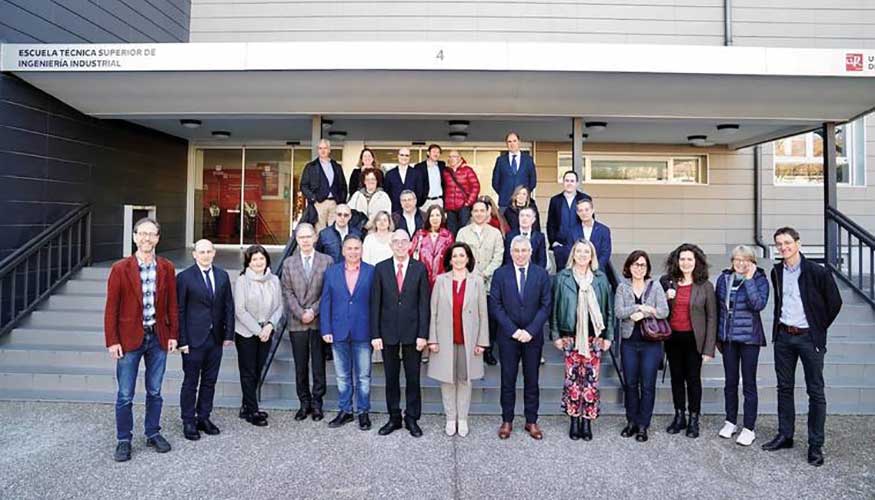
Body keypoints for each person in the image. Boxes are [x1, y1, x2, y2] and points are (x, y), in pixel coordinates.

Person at [762, 227, 841, 467]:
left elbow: (834, 303)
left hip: (809, 339)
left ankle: (815, 445)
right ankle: (786, 435)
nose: (783, 247)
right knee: (784, 388)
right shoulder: (776, 271)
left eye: (787, 242)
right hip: (784, 337)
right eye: (779, 244)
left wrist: (817, 327)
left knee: (815, 392)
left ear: (798, 243)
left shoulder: (817, 272)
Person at [104, 217, 178, 462]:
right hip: (128, 339)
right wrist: (112, 341)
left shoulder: (166, 267)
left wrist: (173, 335)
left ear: (158, 238)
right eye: (142, 234)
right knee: (125, 394)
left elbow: (172, 306)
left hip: (157, 337)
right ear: (135, 236)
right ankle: (124, 439)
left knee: (155, 391)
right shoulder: (120, 269)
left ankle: (152, 432)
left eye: (152, 234)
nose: (147, 238)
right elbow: (111, 308)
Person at [550, 239, 614, 441]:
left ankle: (587, 421)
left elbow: (609, 310)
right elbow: (555, 307)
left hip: (594, 336)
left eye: (587, 252)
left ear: (592, 255)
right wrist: (556, 335)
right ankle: (574, 420)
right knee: (572, 381)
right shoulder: (563, 277)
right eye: (579, 251)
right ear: (573, 254)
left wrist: (609, 336)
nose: (583, 255)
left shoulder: (601, 278)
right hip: (570, 335)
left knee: (591, 381)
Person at [370, 230, 431, 438]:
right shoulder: (381, 269)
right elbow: (375, 303)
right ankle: (394, 417)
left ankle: (412, 418)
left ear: (410, 244)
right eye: (396, 242)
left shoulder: (420, 269)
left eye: (404, 241)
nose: (400, 245)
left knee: (413, 379)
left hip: (413, 334)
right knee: (391, 378)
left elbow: (424, 305)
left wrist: (423, 334)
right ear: (391, 245)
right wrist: (375, 334)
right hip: (387, 334)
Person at [491, 236, 552, 440]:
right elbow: (496, 306)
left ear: (530, 252)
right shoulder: (500, 274)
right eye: (516, 251)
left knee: (532, 380)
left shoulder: (541, 274)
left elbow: (546, 305)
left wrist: (531, 330)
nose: (520, 254)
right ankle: (507, 420)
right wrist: (513, 331)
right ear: (510, 252)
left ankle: (531, 421)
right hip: (508, 337)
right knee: (507, 379)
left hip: (532, 337)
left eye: (523, 250)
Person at [427, 242, 489, 437]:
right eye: (455, 256)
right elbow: (433, 311)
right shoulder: (441, 280)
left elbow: (483, 313)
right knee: (447, 380)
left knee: (464, 380)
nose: (459, 259)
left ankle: (462, 418)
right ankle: (450, 418)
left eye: (462, 255)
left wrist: (482, 341)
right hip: (445, 338)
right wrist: (433, 339)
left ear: (468, 258)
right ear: (450, 260)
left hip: (468, 339)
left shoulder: (476, 281)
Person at [176, 239, 235, 441]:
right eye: (201, 252)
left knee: (210, 381)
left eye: (209, 251)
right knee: (191, 382)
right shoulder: (184, 278)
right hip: (193, 340)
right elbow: (180, 311)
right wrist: (181, 340)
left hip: (215, 338)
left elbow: (229, 306)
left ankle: (203, 417)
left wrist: (228, 334)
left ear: (214, 253)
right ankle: (188, 420)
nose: (205, 255)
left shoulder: (222, 276)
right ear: (194, 254)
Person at [660, 243, 717, 439]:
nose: (685, 263)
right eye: (682, 259)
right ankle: (679, 416)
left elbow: (712, 318)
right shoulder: (667, 282)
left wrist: (709, 349)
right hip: (673, 337)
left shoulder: (705, 286)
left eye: (689, 259)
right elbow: (660, 310)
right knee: (676, 378)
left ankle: (694, 419)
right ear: (676, 261)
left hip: (694, 339)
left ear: (696, 262)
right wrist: (666, 298)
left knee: (693, 379)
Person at [320, 235, 376, 431]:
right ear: (343, 251)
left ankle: (363, 412)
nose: (353, 252)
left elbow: (375, 304)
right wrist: (325, 328)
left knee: (363, 376)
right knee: (342, 376)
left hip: (363, 330)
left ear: (361, 250)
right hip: (338, 330)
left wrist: (376, 332)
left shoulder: (371, 272)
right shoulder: (332, 272)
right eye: (349, 248)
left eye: (357, 248)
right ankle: (345, 411)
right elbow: (325, 301)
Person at [715, 245, 769, 446]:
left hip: (749, 339)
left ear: (752, 262)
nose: (740, 263)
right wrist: (717, 337)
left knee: (748, 383)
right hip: (728, 339)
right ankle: (730, 421)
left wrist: (749, 280)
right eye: (737, 259)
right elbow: (718, 308)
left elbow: (758, 305)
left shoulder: (760, 280)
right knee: (730, 382)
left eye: (745, 259)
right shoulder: (724, 279)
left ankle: (749, 427)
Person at [281, 223, 334, 422]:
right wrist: (300, 312)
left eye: (308, 236)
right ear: (296, 239)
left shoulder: (327, 261)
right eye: (301, 237)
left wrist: (313, 310)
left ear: (315, 238)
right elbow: (287, 292)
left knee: (319, 365)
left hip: (319, 320)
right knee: (300, 365)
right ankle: (304, 403)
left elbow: (328, 291)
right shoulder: (288, 263)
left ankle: (317, 403)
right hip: (297, 322)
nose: (305, 240)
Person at [614, 250, 669, 443]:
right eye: (635, 264)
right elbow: (619, 312)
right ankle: (631, 421)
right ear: (629, 267)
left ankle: (643, 424)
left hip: (651, 343)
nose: (639, 268)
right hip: (629, 342)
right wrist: (638, 308)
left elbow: (663, 311)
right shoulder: (622, 287)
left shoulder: (654, 287)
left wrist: (646, 313)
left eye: (643, 265)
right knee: (630, 383)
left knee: (647, 385)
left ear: (647, 268)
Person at [234, 244, 282, 427]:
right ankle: (252, 411)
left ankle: (247, 405)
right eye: (254, 259)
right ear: (248, 262)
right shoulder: (242, 280)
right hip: (247, 332)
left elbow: (279, 307)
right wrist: (258, 330)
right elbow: (240, 310)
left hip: (267, 331)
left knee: (258, 369)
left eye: (261, 258)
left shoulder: (274, 280)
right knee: (248, 372)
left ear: (266, 260)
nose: (258, 262)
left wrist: (269, 326)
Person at [456, 198, 505, 366]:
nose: (479, 214)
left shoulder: (495, 233)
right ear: (471, 213)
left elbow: (499, 256)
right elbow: (459, 254)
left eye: (482, 211)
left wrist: (484, 273)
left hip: (490, 283)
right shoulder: (463, 232)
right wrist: (473, 274)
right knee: (468, 317)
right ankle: (469, 349)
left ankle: (488, 350)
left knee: (489, 318)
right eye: (475, 211)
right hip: (467, 281)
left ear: (487, 213)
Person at [547, 170, 592, 270]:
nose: (569, 183)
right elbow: (551, 223)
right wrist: (553, 242)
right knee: (562, 274)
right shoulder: (555, 200)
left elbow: (590, 221)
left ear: (577, 183)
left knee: (580, 272)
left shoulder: (585, 198)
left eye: (572, 181)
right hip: (561, 246)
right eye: (567, 180)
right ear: (563, 182)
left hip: (580, 245)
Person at [300, 139, 347, 231]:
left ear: (329, 150)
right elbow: (303, 185)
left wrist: (341, 201)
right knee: (320, 231)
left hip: (334, 202)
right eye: (320, 148)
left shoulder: (336, 166)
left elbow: (343, 185)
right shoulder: (311, 166)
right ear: (318, 150)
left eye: (325, 148)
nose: (323, 150)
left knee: (334, 230)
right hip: (319, 203)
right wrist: (313, 198)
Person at [554, 198, 611, 272]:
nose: (584, 213)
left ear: (592, 210)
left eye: (587, 210)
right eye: (580, 210)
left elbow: (605, 253)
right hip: (577, 272)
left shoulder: (604, 230)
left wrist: (595, 270)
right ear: (577, 213)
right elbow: (571, 253)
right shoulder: (572, 231)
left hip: (597, 271)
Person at [410, 204, 454, 290]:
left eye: (438, 215)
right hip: (422, 279)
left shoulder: (448, 236)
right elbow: (412, 256)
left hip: (442, 279)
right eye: (432, 215)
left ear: (442, 217)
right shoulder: (420, 235)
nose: (435, 218)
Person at [492, 132, 537, 209]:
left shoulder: (528, 160)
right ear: (506, 144)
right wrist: (504, 192)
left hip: (522, 203)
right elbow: (495, 182)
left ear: (519, 142)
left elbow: (532, 181)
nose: (512, 144)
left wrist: (523, 195)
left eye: (514, 141)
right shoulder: (500, 160)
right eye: (509, 141)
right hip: (505, 203)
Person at [442, 149, 480, 235]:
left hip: (464, 207)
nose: (451, 158)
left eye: (454, 156)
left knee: (464, 231)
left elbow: (476, 186)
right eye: (450, 156)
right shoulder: (446, 172)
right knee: (451, 232)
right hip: (450, 208)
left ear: (460, 158)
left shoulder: (467, 170)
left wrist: (468, 202)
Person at [384, 148, 425, 214]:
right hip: (395, 211)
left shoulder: (417, 173)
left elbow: (419, 193)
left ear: (409, 157)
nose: (404, 157)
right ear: (398, 156)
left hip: (412, 211)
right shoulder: (389, 174)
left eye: (407, 155)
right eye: (402, 155)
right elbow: (387, 193)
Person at [414, 143, 446, 209]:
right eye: (434, 151)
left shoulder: (442, 165)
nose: (436, 154)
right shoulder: (419, 167)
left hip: (439, 201)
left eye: (438, 152)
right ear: (428, 153)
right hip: (425, 202)